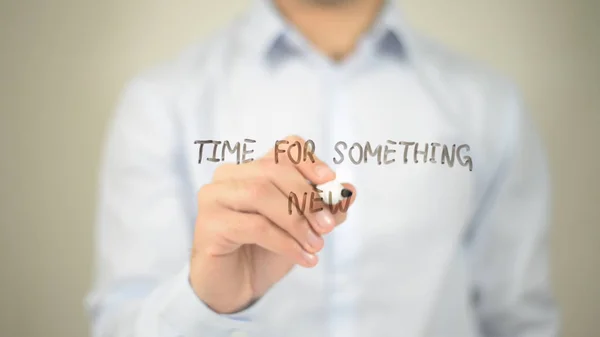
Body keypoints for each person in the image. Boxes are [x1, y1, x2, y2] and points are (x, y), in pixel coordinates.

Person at [85, 0, 560, 336]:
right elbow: (120, 324)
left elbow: (519, 321)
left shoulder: (491, 107)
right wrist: (206, 303)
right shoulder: (160, 104)